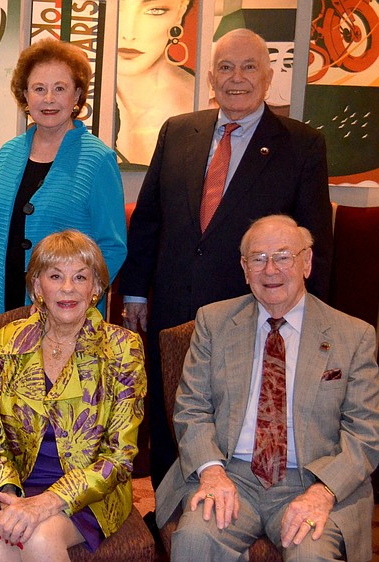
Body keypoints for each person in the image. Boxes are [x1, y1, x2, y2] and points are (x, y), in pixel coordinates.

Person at [120, 28, 333, 487]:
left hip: (251, 314)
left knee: (237, 418)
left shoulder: (301, 145)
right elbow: (150, 219)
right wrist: (136, 292)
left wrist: (308, 317)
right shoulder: (178, 132)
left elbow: (314, 243)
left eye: (249, 66)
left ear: (269, 75)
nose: (237, 78)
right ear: (211, 78)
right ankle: (167, 515)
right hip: (173, 307)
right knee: (170, 415)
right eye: (225, 67)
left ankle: (239, 512)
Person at [156, 215, 379, 561]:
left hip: (312, 478)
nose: (270, 270)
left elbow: (365, 433)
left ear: (306, 262)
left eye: (283, 256)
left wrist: (324, 493)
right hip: (231, 473)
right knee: (196, 539)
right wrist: (212, 472)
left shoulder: (353, 336)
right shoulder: (213, 323)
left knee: (312, 555)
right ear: (245, 269)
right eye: (258, 259)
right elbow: (191, 407)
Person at [0, 230, 146, 560]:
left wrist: (47, 502)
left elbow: (119, 459)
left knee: (40, 538)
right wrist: (9, 495)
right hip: (17, 482)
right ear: (37, 287)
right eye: (55, 276)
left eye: (80, 277)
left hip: (88, 490)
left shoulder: (123, 348)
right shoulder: (10, 340)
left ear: (96, 288)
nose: (67, 288)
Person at [0, 39, 127, 321]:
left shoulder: (98, 159)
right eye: (39, 89)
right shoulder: (7, 153)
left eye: (60, 88)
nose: (49, 99)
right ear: (25, 95)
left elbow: (112, 247)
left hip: (68, 318)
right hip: (3, 308)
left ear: (77, 95)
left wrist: (74, 302)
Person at [116, 0, 195, 166]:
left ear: (180, 11)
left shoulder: (209, 103)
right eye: (116, 8)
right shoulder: (70, 98)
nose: (128, 34)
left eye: (155, 10)